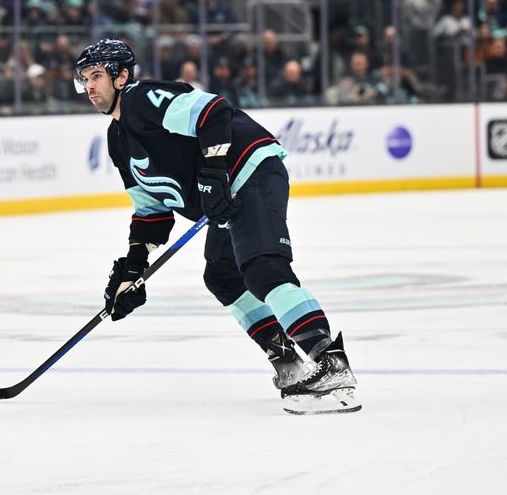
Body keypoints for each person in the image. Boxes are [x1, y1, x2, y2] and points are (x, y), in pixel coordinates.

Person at [74, 39, 360, 414]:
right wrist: (132, 268)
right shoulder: (118, 140)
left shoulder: (142, 98)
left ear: (122, 75)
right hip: (226, 193)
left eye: (97, 75)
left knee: (262, 267)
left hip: (250, 170)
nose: (90, 86)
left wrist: (212, 173)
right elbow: (151, 210)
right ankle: (287, 361)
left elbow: (213, 111)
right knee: (223, 276)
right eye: (84, 79)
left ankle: (330, 361)